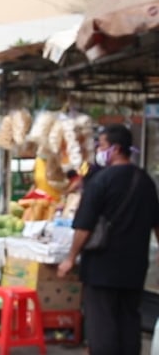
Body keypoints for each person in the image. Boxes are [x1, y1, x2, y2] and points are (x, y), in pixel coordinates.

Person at [58, 124, 159, 355]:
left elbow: (83, 227)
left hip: (102, 267)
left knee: (102, 325)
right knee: (129, 321)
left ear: (114, 149)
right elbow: (157, 222)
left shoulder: (101, 181)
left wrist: (71, 258)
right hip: (134, 267)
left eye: (101, 145)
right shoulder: (145, 181)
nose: (98, 150)